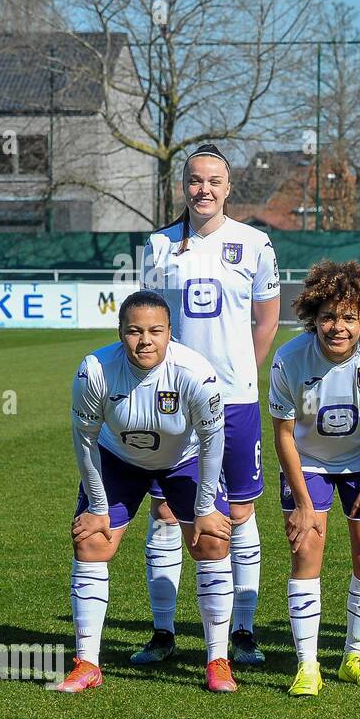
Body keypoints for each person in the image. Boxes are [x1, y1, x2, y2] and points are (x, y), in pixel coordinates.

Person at [132, 143, 280, 668]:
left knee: (239, 514)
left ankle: (242, 631)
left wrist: (240, 374)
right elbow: (146, 322)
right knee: (167, 511)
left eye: (214, 181)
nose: (204, 190)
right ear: (184, 186)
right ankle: (163, 631)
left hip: (235, 402)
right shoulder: (157, 246)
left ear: (229, 186)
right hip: (170, 403)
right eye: (195, 181)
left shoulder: (256, 244)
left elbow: (266, 320)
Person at [58, 291, 235, 693]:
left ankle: (217, 660)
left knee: (210, 540)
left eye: (155, 331)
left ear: (171, 333)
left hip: (183, 459)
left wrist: (206, 506)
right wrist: (98, 507)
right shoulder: (95, 371)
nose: (145, 341)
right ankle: (87, 663)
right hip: (118, 458)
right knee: (92, 541)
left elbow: (212, 442)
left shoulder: (195, 373)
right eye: (134, 331)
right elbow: (83, 440)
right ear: (120, 332)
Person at [269, 261, 360, 697]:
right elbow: (284, 435)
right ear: (313, 316)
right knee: (307, 552)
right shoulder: (290, 358)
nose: (337, 327)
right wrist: (304, 501)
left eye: (348, 317)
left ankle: (354, 656)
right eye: (328, 316)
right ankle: (308, 665)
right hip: (307, 465)